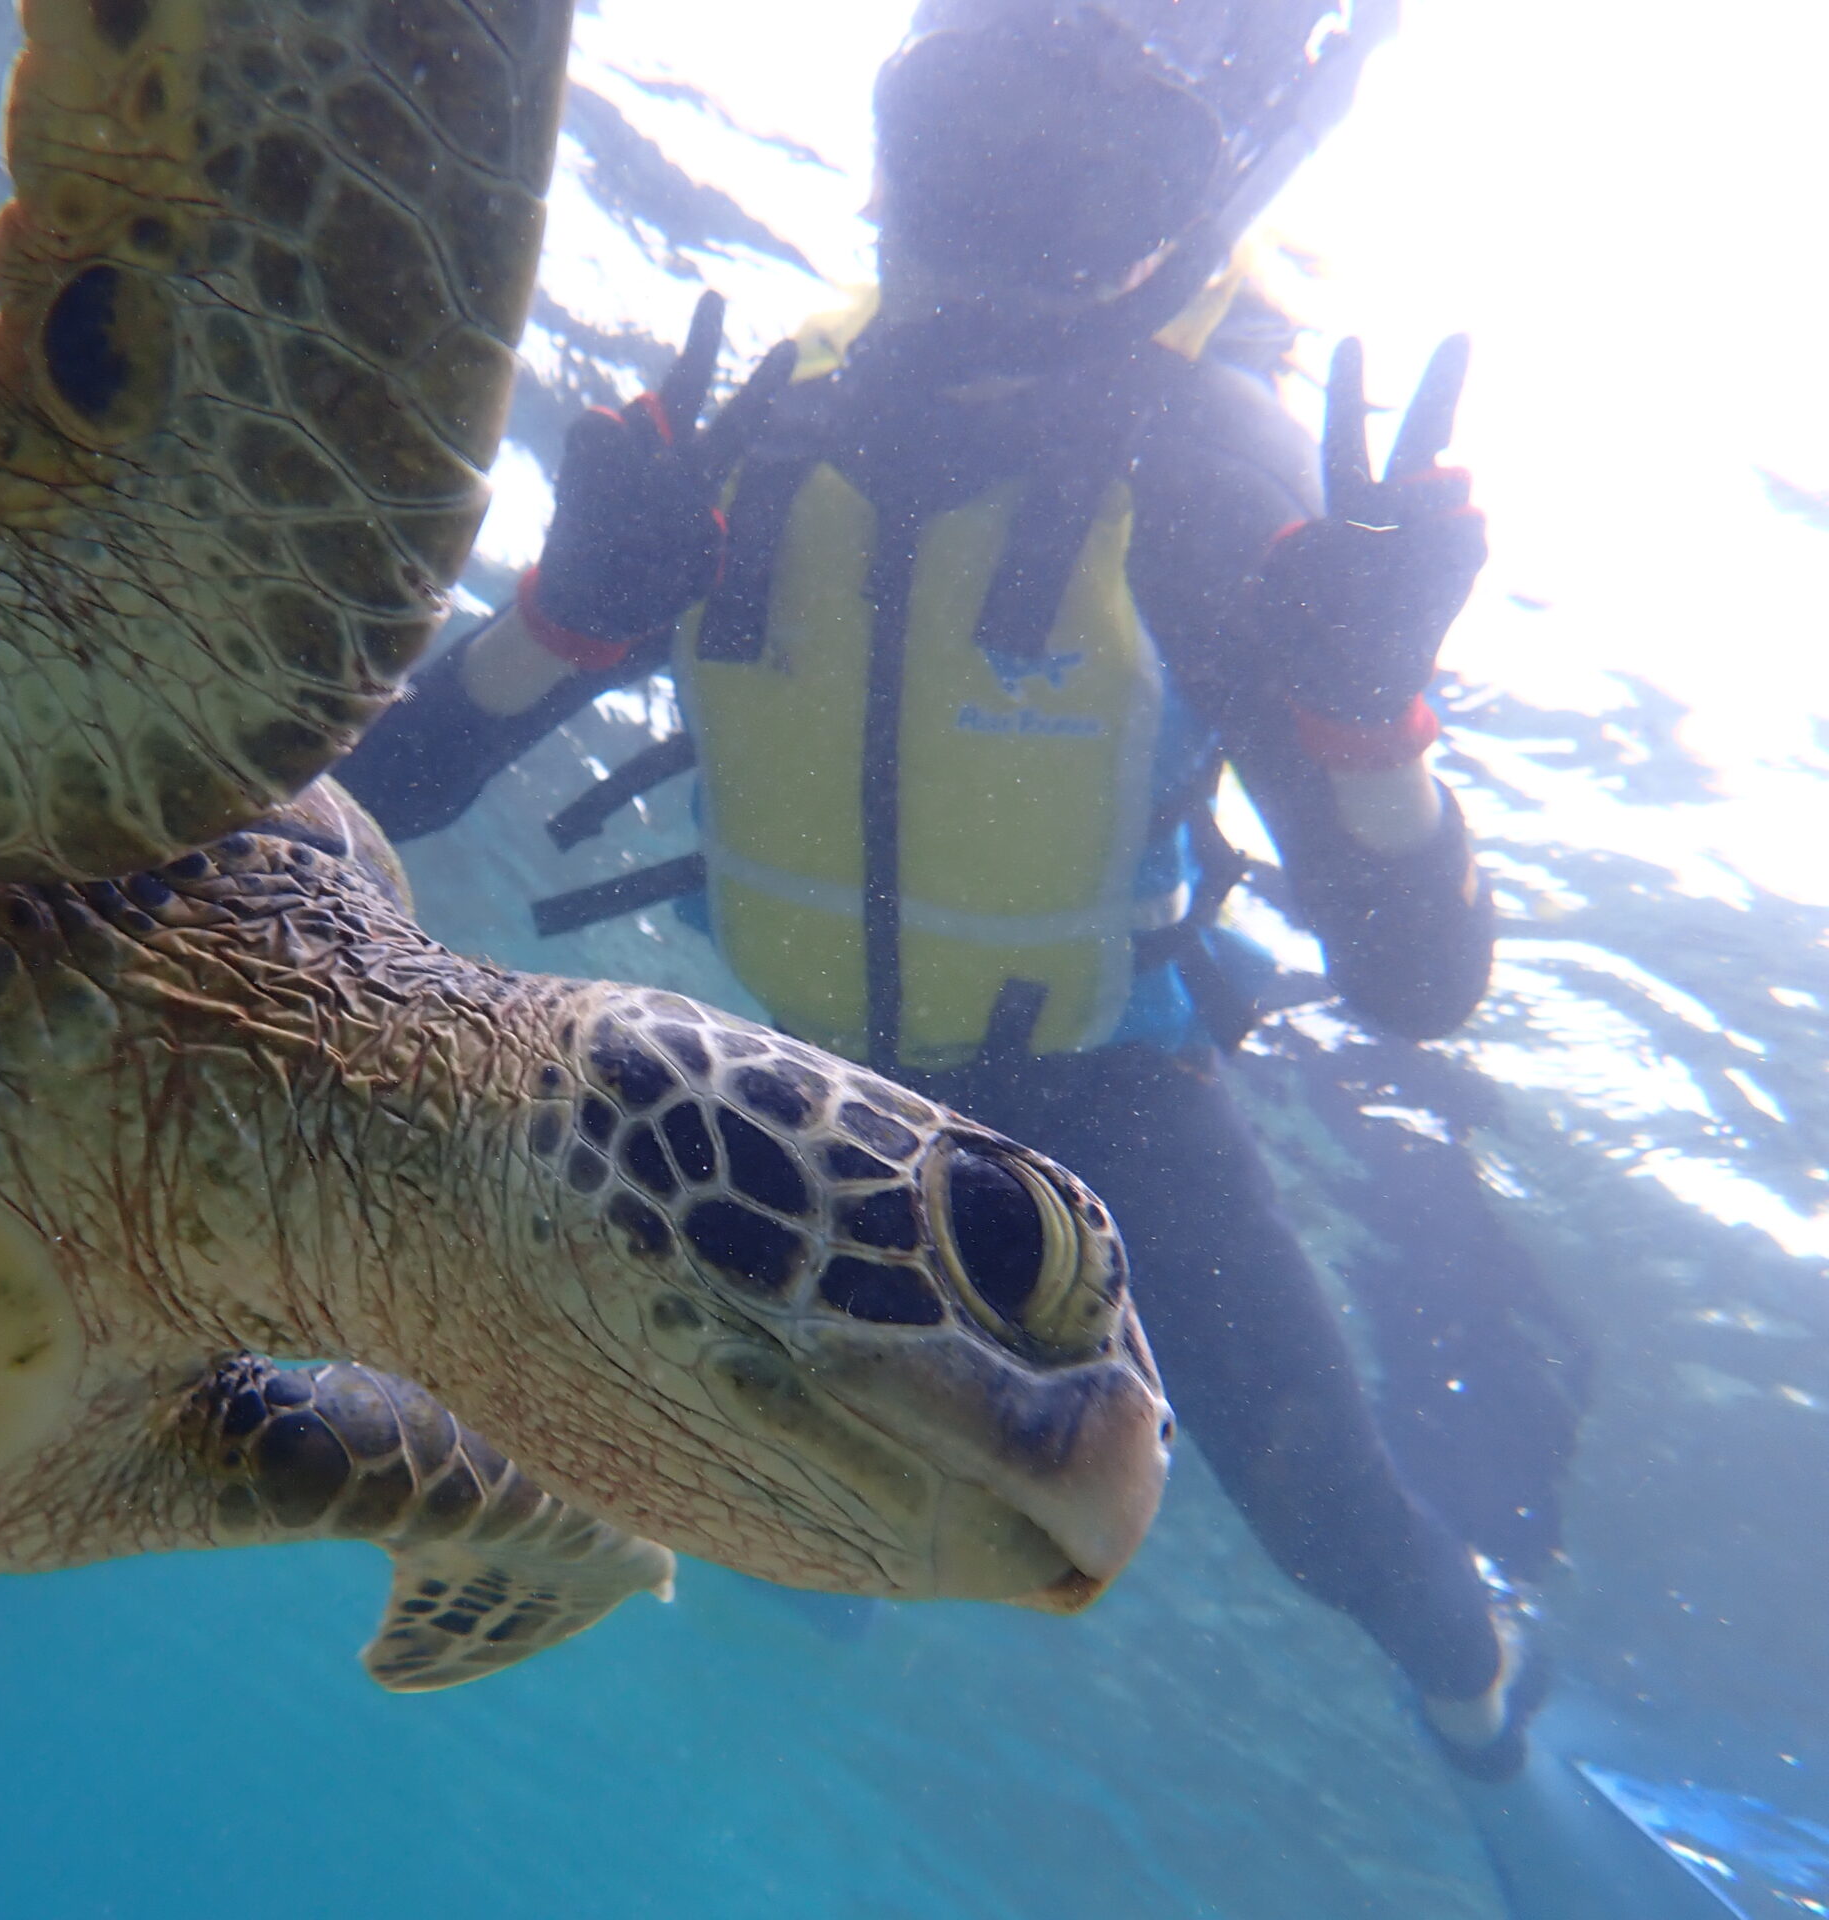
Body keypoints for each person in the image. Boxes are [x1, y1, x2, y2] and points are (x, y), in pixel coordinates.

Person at [339, 0, 1547, 1779]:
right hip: (822, 1092)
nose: (994, 207)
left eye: (1066, 161)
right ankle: (817, 1596)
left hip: (1111, 1110)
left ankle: (1491, 1721)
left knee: (1325, 1514)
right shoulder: (770, 435)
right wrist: (569, 614)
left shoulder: (1211, 473)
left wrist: (1365, 735)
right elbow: (375, 796)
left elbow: (1424, 989)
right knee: (727, 1449)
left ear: (1175, 199)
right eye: (962, 135)